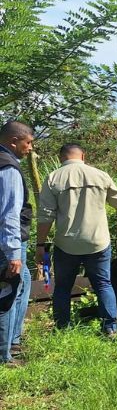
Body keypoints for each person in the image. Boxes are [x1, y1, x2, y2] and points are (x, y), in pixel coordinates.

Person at [36, 143, 117, 337]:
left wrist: (40, 245)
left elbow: (45, 216)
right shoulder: (100, 175)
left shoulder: (53, 177)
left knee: (63, 287)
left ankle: (62, 328)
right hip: (98, 242)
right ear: (83, 156)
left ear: (61, 158)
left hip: (66, 244)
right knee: (103, 284)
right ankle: (110, 328)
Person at [0, 120, 34, 366]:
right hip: (8, 242)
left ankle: (13, 340)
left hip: (8, 240)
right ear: (14, 141)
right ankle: (4, 355)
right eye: (28, 142)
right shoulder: (9, 167)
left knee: (24, 282)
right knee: (8, 292)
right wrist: (13, 252)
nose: (30, 148)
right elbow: (9, 214)